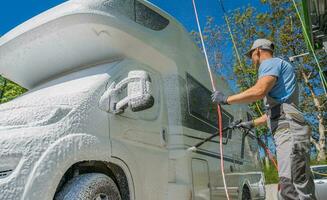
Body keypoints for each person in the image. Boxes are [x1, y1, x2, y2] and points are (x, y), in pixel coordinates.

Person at [212, 39, 316, 200]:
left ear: (258, 51)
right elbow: (276, 110)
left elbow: (259, 90)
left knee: (291, 188)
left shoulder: (269, 63)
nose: (252, 60)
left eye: (251, 55)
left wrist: (226, 99)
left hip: (288, 129)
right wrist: (250, 123)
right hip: (290, 126)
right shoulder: (280, 66)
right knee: (296, 185)